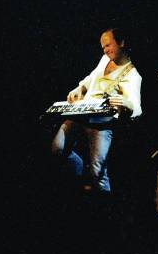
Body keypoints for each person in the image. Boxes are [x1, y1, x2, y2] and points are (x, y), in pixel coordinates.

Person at [50, 28, 142, 193]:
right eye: (103, 47)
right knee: (58, 149)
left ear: (121, 43)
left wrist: (126, 103)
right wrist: (80, 88)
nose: (105, 50)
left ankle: (104, 208)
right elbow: (92, 77)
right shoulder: (104, 59)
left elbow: (136, 107)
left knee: (98, 172)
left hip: (101, 123)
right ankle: (79, 177)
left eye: (108, 45)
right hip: (81, 113)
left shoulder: (132, 75)